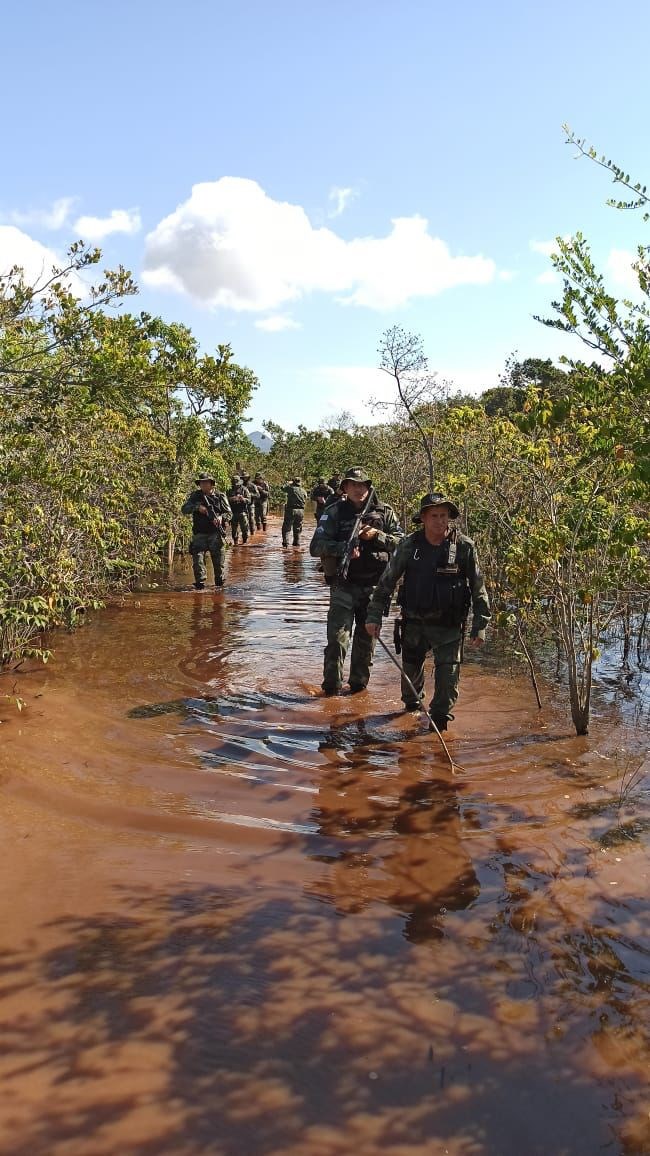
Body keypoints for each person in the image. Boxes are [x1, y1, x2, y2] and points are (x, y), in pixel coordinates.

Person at [365, 492, 490, 731]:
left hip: (449, 627)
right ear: (423, 517)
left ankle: (439, 723)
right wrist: (374, 615)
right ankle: (408, 721)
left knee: (448, 679)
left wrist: (480, 625)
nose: (439, 521)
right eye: (434, 516)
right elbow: (386, 583)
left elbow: (478, 586)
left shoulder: (464, 547)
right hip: (414, 624)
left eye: (444, 516)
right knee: (411, 688)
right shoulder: (409, 545)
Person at [309, 466, 402, 695]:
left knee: (366, 644)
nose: (358, 489)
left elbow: (404, 544)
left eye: (362, 485)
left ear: (368, 487)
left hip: (374, 589)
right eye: (353, 485)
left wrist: (377, 536)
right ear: (345, 488)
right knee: (337, 641)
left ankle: (358, 692)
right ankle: (330, 692)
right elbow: (315, 547)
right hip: (344, 586)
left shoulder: (386, 513)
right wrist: (343, 549)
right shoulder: (333, 512)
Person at [181, 473, 232, 589]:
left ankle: (219, 592)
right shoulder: (195, 496)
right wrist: (197, 508)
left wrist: (221, 518)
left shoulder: (220, 496)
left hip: (215, 534)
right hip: (200, 534)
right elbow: (184, 509)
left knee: (219, 568)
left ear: (211, 484)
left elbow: (229, 513)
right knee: (198, 562)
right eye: (201, 482)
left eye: (206, 482)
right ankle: (200, 587)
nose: (203, 484)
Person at [282, 477, 307, 547]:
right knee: (298, 527)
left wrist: (288, 483)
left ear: (293, 482)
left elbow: (282, 488)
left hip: (291, 510)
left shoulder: (290, 489)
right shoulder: (303, 490)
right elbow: (306, 497)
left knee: (287, 527)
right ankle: (296, 543)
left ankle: (285, 544)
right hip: (301, 511)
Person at [227, 475, 251, 543]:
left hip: (242, 512)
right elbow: (225, 500)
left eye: (237, 484)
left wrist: (243, 499)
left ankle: (244, 543)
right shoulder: (229, 490)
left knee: (245, 529)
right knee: (234, 530)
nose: (235, 485)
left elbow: (249, 500)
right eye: (234, 484)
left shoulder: (244, 489)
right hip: (233, 512)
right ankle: (235, 543)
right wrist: (232, 499)